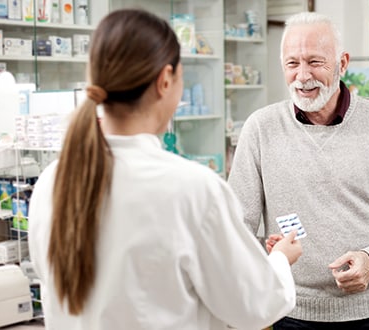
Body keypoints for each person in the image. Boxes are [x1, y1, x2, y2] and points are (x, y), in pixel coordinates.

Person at [27, 8, 302, 330]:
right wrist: (281, 258)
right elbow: (257, 308)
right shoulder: (192, 189)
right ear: (165, 80)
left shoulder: (52, 182)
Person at [227, 12, 369, 329]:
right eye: (292, 64)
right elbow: (235, 227)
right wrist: (272, 257)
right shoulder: (260, 128)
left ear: (342, 63)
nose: (302, 76)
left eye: (315, 62)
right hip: (292, 312)